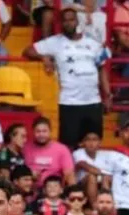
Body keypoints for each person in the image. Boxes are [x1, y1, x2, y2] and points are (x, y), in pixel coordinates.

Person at [25, 6, 111, 149]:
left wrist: (107, 95)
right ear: (61, 23)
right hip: (69, 102)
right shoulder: (54, 42)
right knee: (69, 146)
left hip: (93, 101)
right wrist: (44, 57)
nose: (68, 23)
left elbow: (102, 69)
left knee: (93, 143)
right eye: (65, 21)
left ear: (77, 22)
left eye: (71, 20)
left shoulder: (93, 44)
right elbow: (27, 51)